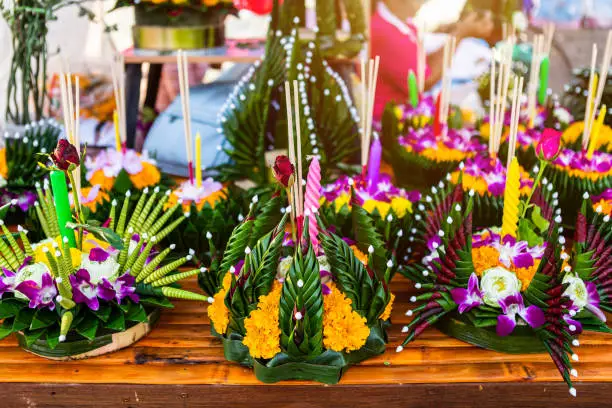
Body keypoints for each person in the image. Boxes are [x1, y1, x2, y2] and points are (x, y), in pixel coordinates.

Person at [371, 0, 495, 118]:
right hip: (387, 125)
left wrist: (458, 31)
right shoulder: (384, 31)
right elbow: (422, 82)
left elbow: (422, 65)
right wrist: (460, 34)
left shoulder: (405, 25)